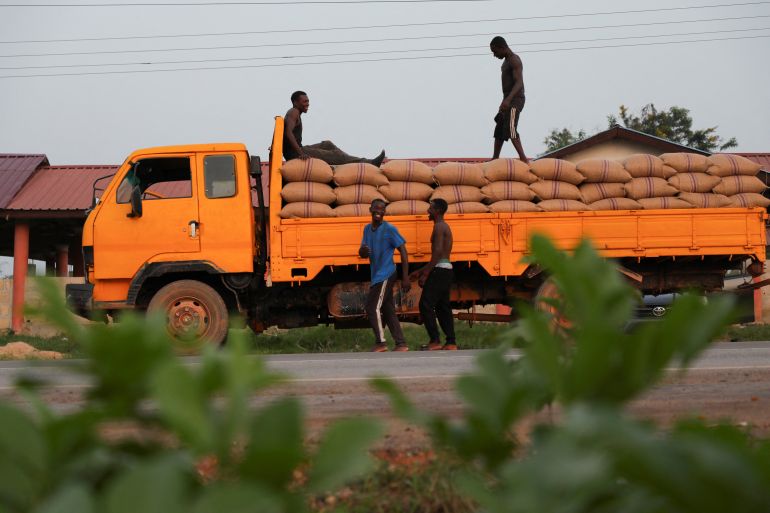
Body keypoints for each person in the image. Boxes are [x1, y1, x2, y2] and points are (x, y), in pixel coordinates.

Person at [359, 199, 411, 352]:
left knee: (372, 307)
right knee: (388, 309)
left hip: (387, 273)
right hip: (377, 274)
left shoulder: (389, 229)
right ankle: (401, 344)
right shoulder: (367, 229)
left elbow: (403, 251)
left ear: (384, 212)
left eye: (382, 209)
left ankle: (381, 342)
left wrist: (405, 276)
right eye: (376, 208)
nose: (378, 211)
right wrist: (362, 252)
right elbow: (363, 251)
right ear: (370, 209)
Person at [283, 91, 386, 166]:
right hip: (295, 153)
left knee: (327, 144)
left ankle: (346, 160)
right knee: (336, 155)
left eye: (308, 101)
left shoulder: (295, 113)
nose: (307, 104)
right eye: (304, 101)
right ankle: (370, 163)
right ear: (295, 103)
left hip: (297, 150)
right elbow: (288, 132)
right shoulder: (293, 112)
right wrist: (301, 153)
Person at [410, 198, 457, 351]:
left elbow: (436, 253)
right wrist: (420, 271)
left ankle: (435, 340)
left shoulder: (438, 227)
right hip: (445, 269)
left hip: (440, 270)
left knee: (425, 304)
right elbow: (439, 256)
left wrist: (425, 274)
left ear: (437, 211)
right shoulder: (444, 226)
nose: (428, 211)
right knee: (443, 306)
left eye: (430, 208)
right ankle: (450, 342)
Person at [489, 36, 529, 163]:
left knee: (511, 128)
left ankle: (524, 159)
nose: (494, 55)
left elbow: (519, 83)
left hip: (516, 100)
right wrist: (504, 101)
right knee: (500, 128)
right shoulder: (505, 62)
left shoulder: (514, 60)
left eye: (495, 52)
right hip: (507, 100)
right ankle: (495, 158)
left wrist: (508, 100)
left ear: (502, 47)